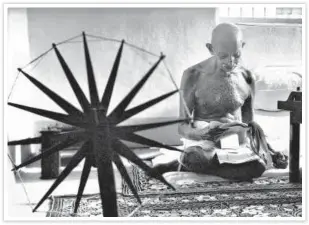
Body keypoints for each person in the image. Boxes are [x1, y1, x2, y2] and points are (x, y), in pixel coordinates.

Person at [152, 23, 286, 182]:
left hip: (235, 147)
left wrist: (266, 149)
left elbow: (249, 123)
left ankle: (181, 165)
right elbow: (182, 126)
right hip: (204, 145)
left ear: (242, 46)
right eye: (223, 55)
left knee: (259, 166)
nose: (231, 61)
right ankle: (193, 163)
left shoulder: (247, 77)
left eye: (237, 54)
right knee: (195, 157)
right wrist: (201, 133)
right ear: (210, 49)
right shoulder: (193, 75)